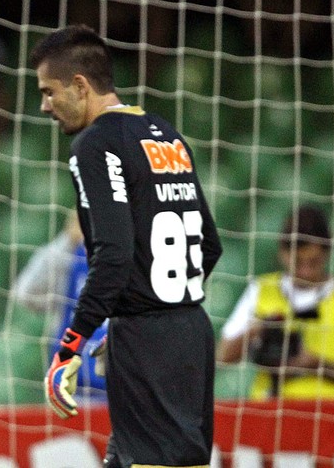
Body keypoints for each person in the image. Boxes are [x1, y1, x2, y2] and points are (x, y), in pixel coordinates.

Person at [30, 25, 223, 467]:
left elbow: (114, 254)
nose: (44, 105)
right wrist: (158, 300)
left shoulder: (95, 144)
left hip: (147, 343)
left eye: (48, 91)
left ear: (79, 86)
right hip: (191, 333)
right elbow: (209, 244)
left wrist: (70, 346)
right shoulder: (165, 133)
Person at [217, 205, 334, 400]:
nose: (305, 271)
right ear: (283, 253)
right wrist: (258, 329)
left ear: (327, 253)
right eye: (298, 262)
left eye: (313, 262)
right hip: (269, 408)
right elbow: (223, 356)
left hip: (329, 414)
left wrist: (316, 364)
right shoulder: (261, 289)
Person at [13, 210, 108, 392]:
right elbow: (25, 293)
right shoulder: (69, 260)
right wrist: (67, 240)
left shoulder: (130, 259)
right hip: (72, 386)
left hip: (121, 386)